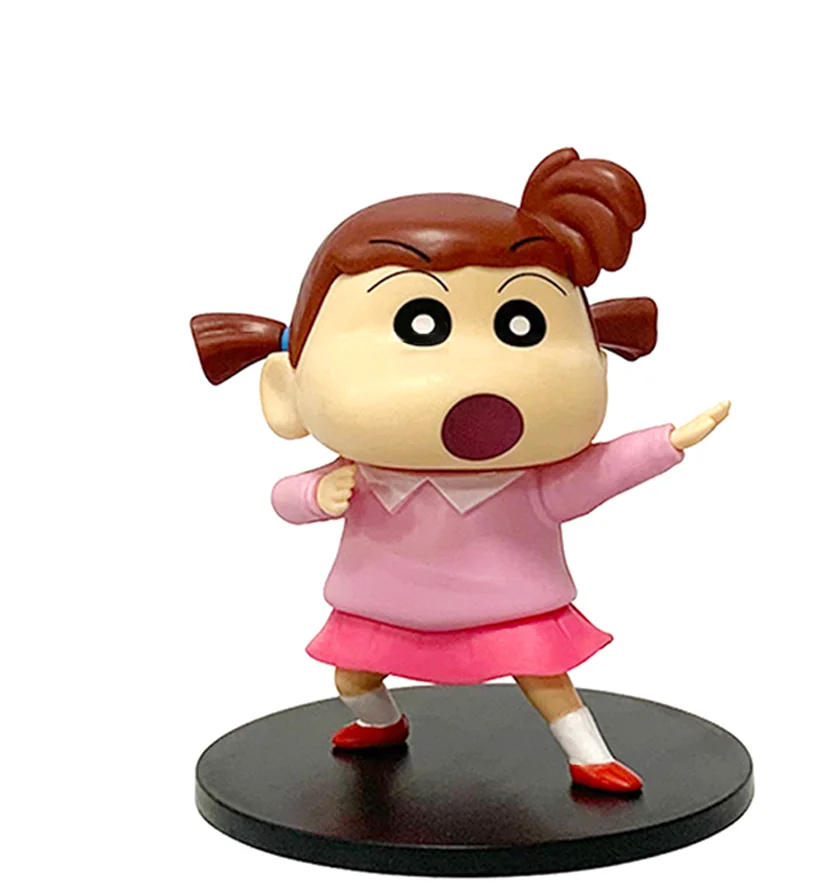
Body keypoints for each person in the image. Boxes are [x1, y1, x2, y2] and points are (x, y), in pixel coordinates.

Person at [191, 147, 730, 793]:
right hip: (382, 604)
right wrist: (315, 492)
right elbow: (285, 499)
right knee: (352, 677)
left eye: (522, 324)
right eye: (420, 327)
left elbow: (597, 473)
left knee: (545, 677)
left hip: (510, 607)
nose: (475, 377)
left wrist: (666, 442)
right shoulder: (362, 474)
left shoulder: (526, 481)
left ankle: (590, 756)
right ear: (286, 390)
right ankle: (379, 721)